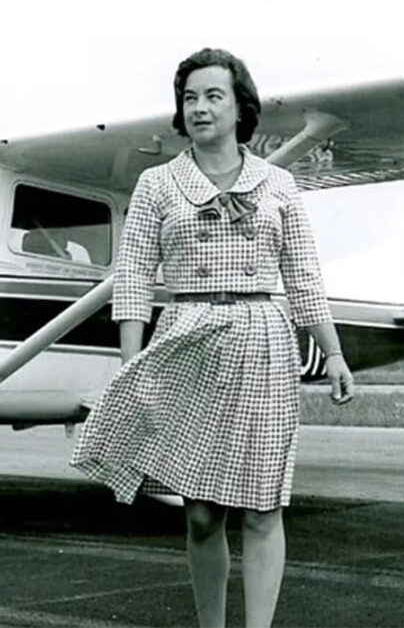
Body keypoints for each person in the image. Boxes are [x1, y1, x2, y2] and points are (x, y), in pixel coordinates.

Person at [71, 48, 354, 628]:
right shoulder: (156, 185)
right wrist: (133, 366)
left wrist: (334, 351)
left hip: (264, 345)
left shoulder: (278, 185)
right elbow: (133, 280)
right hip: (187, 342)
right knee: (201, 512)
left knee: (262, 507)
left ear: (240, 106)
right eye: (189, 98)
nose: (199, 108)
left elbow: (303, 275)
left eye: (212, 96)